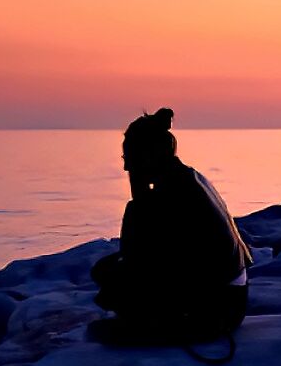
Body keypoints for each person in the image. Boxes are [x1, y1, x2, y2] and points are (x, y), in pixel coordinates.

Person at [91, 109, 250, 347]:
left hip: (217, 309)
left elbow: (136, 254)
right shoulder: (188, 177)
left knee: (111, 279)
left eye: (129, 158)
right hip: (230, 297)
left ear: (150, 155)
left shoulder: (172, 193)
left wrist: (138, 196)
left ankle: (155, 323)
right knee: (109, 270)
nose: (126, 168)